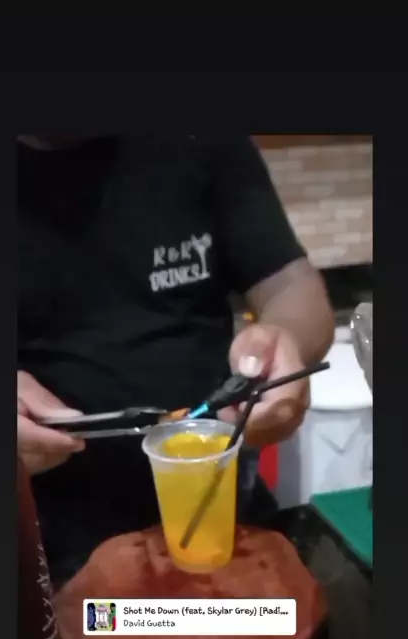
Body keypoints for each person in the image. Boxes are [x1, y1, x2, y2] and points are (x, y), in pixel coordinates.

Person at [18, 135, 334, 586]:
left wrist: (289, 340)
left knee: (277, 620)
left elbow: (288, 283)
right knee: (96, 626)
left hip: (228, 523)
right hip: (47, 548)